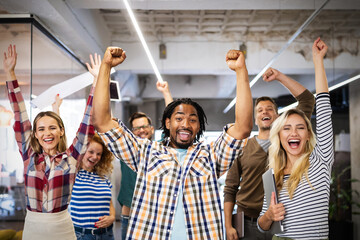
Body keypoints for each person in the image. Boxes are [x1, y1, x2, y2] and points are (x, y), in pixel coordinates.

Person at [92, 47, 253, 239]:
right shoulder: (146, 153)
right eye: (179, 118)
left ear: (199, 126)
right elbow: (102, 122)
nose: (185, 124)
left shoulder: (210, 156)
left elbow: (243, 128)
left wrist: (241, 71)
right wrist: (106, 67)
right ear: (168, 123)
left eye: (192, 120)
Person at [3, 44, 94, 240]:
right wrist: (10, 73)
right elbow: (19, 115)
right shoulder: (29, 156)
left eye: (52, 127)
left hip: (62, 228)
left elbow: (88, 122)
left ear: (61, 131)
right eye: (41, 129)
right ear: (35, 134)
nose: (47, 133)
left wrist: (97, 83)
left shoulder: (71, 158)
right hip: (33, 228)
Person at [224, 67, 315, 240]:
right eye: (259, 110)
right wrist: (229, 225)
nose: (264, 112)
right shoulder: (242, 146)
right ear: (255, 118)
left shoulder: (288, 142)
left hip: (282, 218)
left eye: (269, 109)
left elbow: (307, 99)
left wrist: (280, 76)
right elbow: (230, 188)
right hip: (246, 220)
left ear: (277, 115)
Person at [257, 38, 333, 239]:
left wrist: (318, 61)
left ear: (308, 135)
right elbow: (262, 226)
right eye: (287, 129)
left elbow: (323, 108)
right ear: (279, 136)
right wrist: (269, 216)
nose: (293, 133)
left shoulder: (320, 161)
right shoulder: (273, 174)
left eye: (300, 128)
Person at [50, 53, 116, 240]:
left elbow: (108, 202)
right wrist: (56, 110)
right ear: (82, 152)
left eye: (98, 154)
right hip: (81, 235)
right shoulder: (73, 171)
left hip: (106, 235)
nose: (94, 156)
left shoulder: (102, 176)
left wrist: (112, 216)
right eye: (91, 151)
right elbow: (61, 142)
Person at [117, 81, 173, 240]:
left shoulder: (159, 148)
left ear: (152, 128)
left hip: (154, 217)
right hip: (130, 216)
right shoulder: (125, 149)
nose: (141, 130)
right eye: (136, 128)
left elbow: (171, 126)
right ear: (131, 132)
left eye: (144, 126)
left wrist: (166, 93)